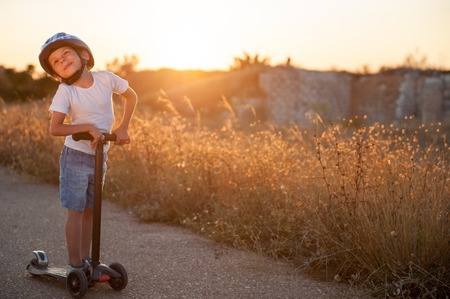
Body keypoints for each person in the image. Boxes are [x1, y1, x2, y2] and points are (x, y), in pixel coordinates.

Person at [39, 32, 138, 273]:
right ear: (56, 73)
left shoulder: (106, 79)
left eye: (66, 54)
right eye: (56, 61)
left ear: (83, 54)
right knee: (76, 210)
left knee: (91, 210)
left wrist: (122, 127)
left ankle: (87, 261)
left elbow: (131, 96)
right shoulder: (66, 91)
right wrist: (87, 127)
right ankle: (75, 265)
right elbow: (55, 128)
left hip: (99, 156)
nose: (62, 60)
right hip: (75, 157)